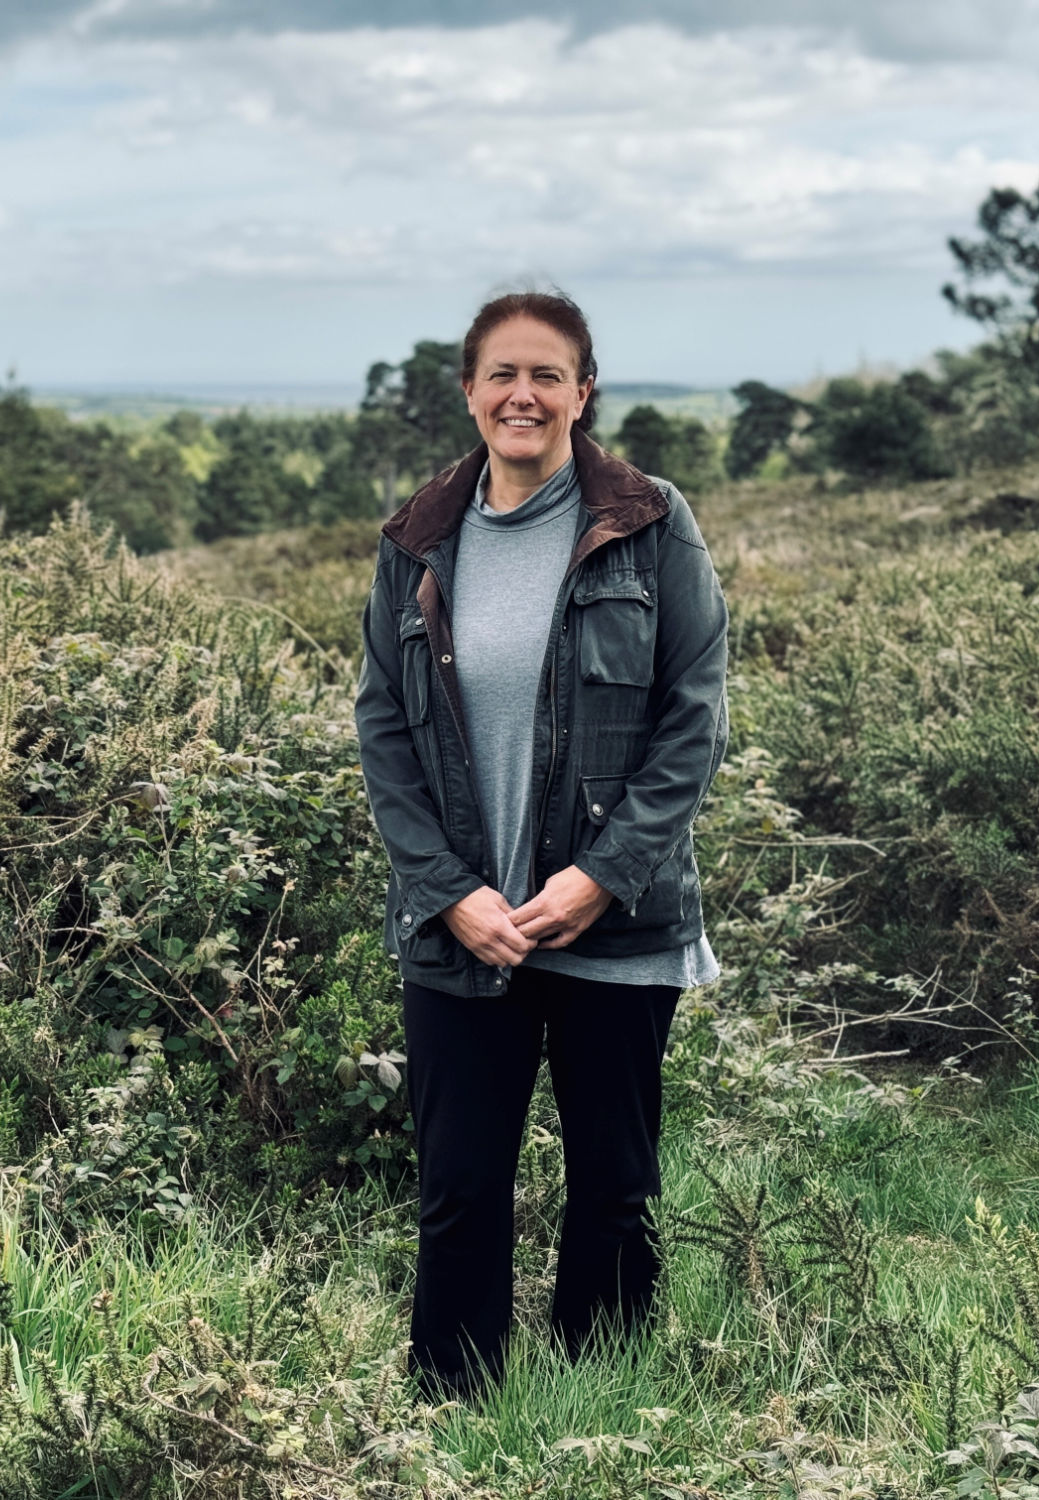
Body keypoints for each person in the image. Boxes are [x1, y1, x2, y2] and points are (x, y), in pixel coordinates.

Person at [353, 289, 729, 1402]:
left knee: (613, 1183)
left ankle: (594, 1409)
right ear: (469, 393)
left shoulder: (649, 522)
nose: (524, 394)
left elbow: (691, 718)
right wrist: (448, 890)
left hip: (613, 926)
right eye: (502, 374)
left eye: (547, 374)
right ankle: (452, 1410)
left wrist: (599, 880)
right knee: (459, 1187)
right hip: (464, 929)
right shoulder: (415, 538)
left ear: (582, 392)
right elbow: (383, 727)